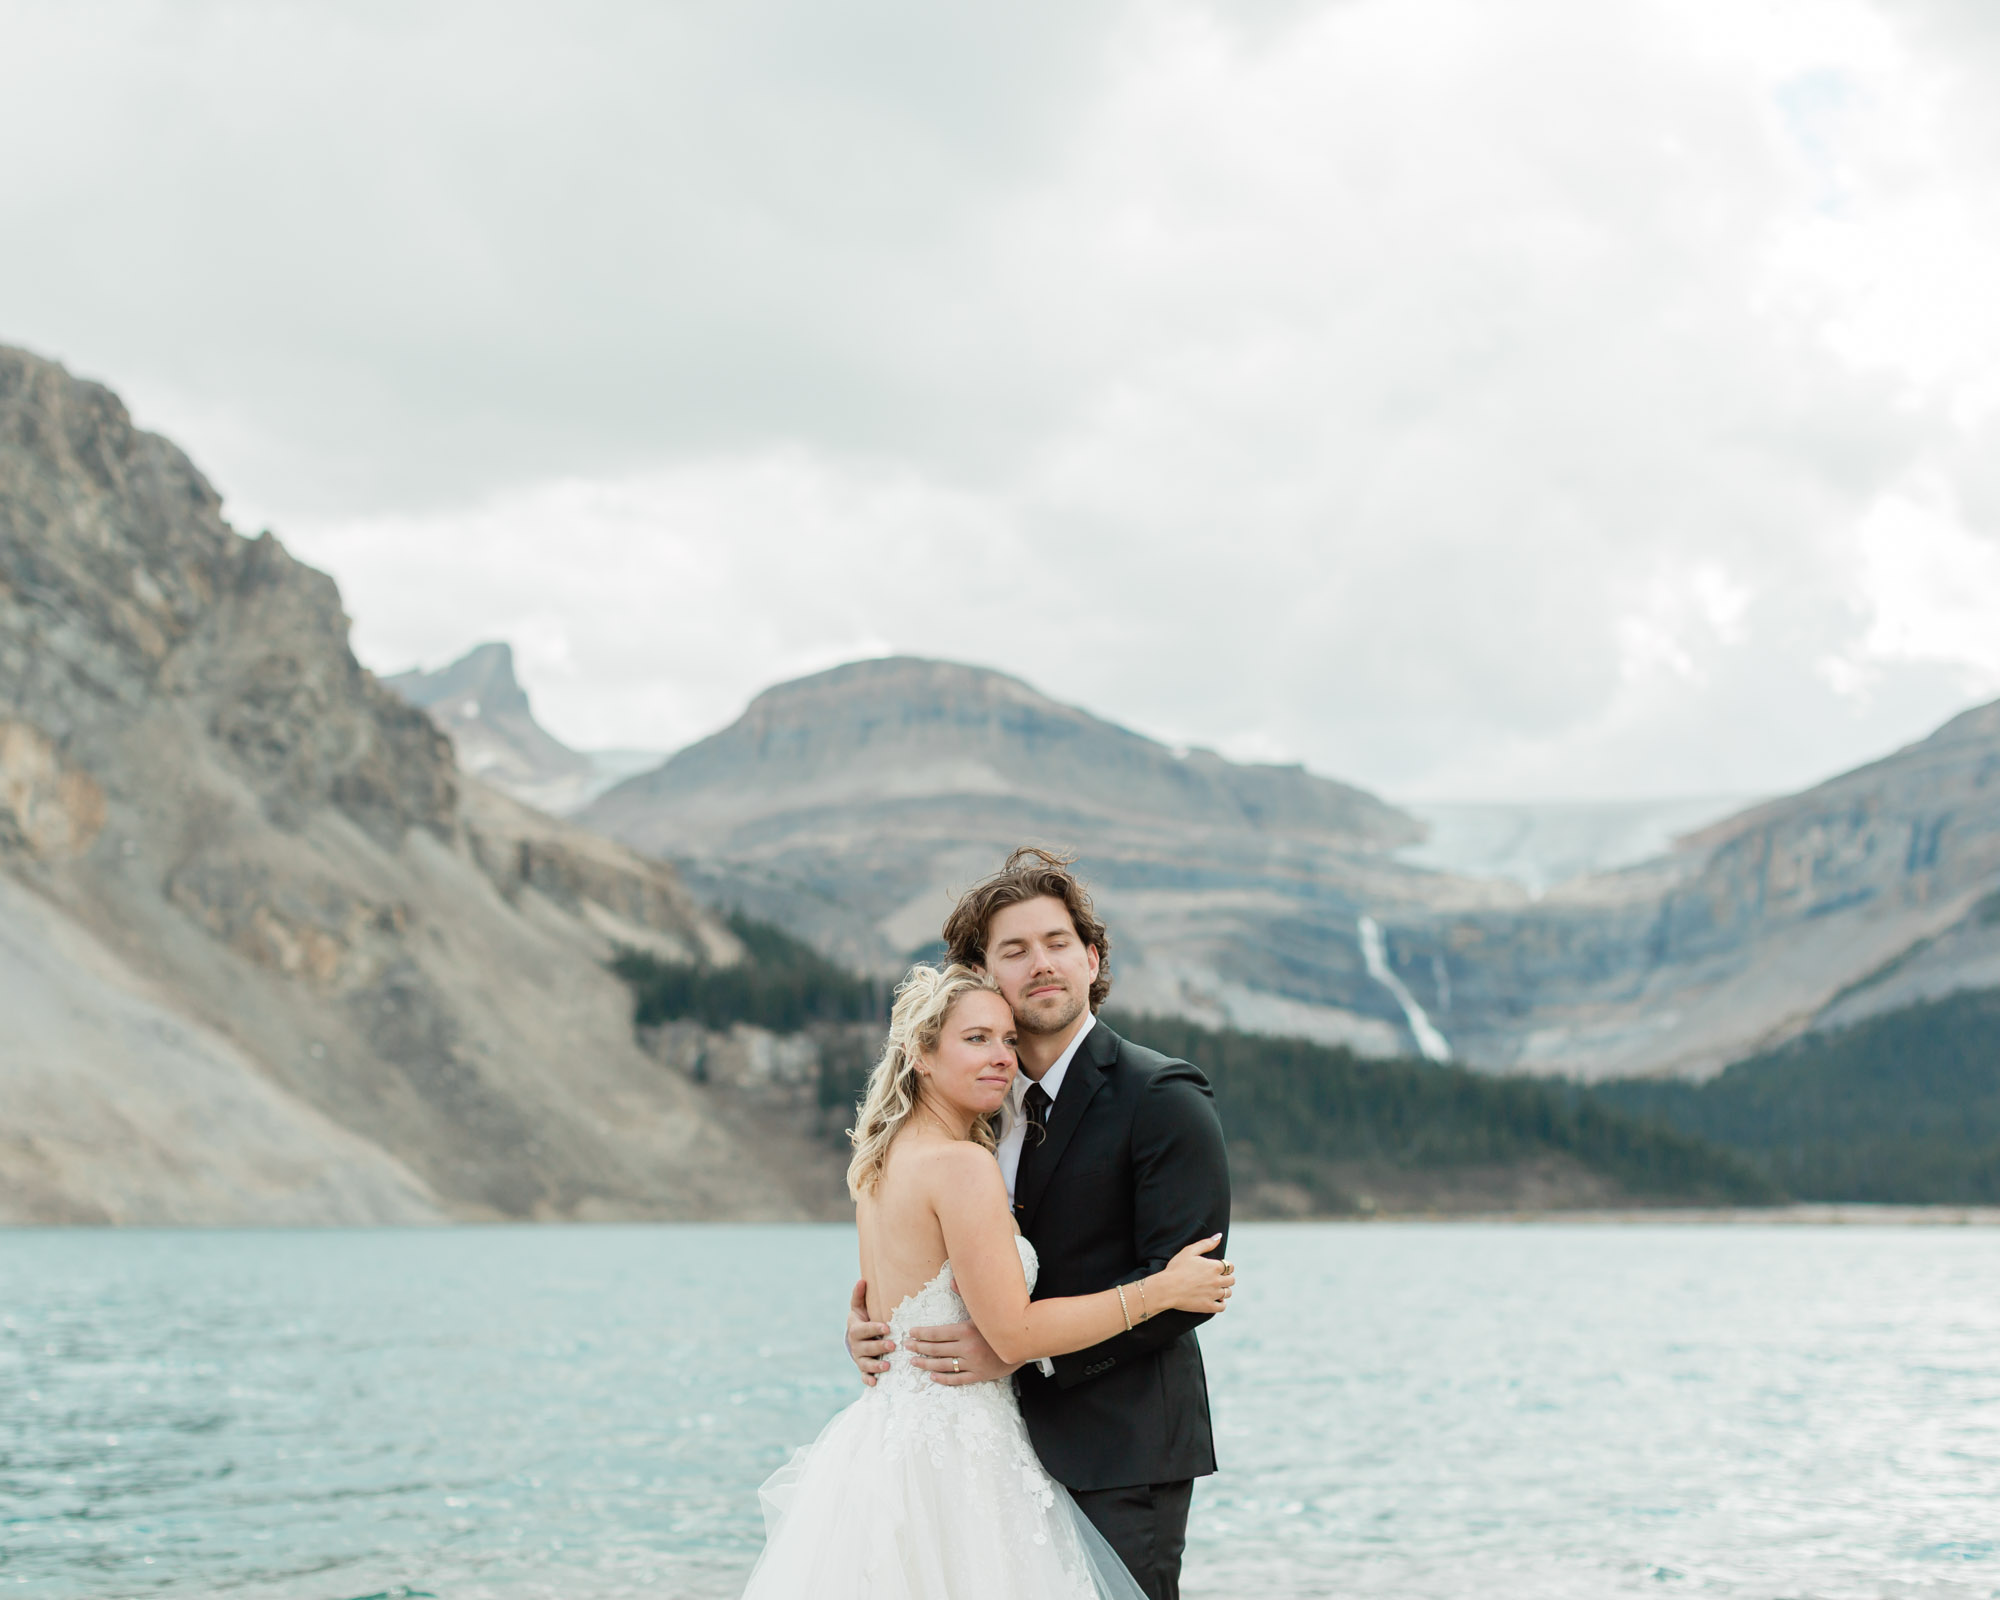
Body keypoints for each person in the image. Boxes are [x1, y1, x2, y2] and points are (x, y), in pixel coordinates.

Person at [740, 963, 1233, 1599]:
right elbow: (1015, 1334)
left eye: (1008, 1039)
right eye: (976, 1039)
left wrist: (862, 1333)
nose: (1002, 1056)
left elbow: (891, 1301)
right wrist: (1161, 1289)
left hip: (884, 1448)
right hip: (960, 1455)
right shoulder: (962, 1165)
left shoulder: (879, 1163)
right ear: (920, 1053)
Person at [847, 849, 1233, 1600]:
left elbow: (1187, 1287)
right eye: (1016, 950)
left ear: (1092, 959)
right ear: (985, 974)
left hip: (1119, 1451)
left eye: (1058, 942)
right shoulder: (976, 1111)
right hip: (982, 1453)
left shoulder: (1163, 1097)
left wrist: (1019, 1355)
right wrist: (877, 1328)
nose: (1042, 964)